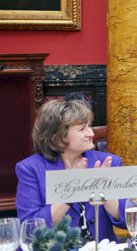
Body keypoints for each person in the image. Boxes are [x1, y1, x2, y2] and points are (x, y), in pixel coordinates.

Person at [15, 98, 127, 242]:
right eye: (82, 129)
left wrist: (105, 193)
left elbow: (126, 220)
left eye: (89, 126)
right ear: (57, 139)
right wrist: (73, 190)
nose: (91, 134)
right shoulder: (31, 169)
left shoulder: (108, 163)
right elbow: (30, 230)